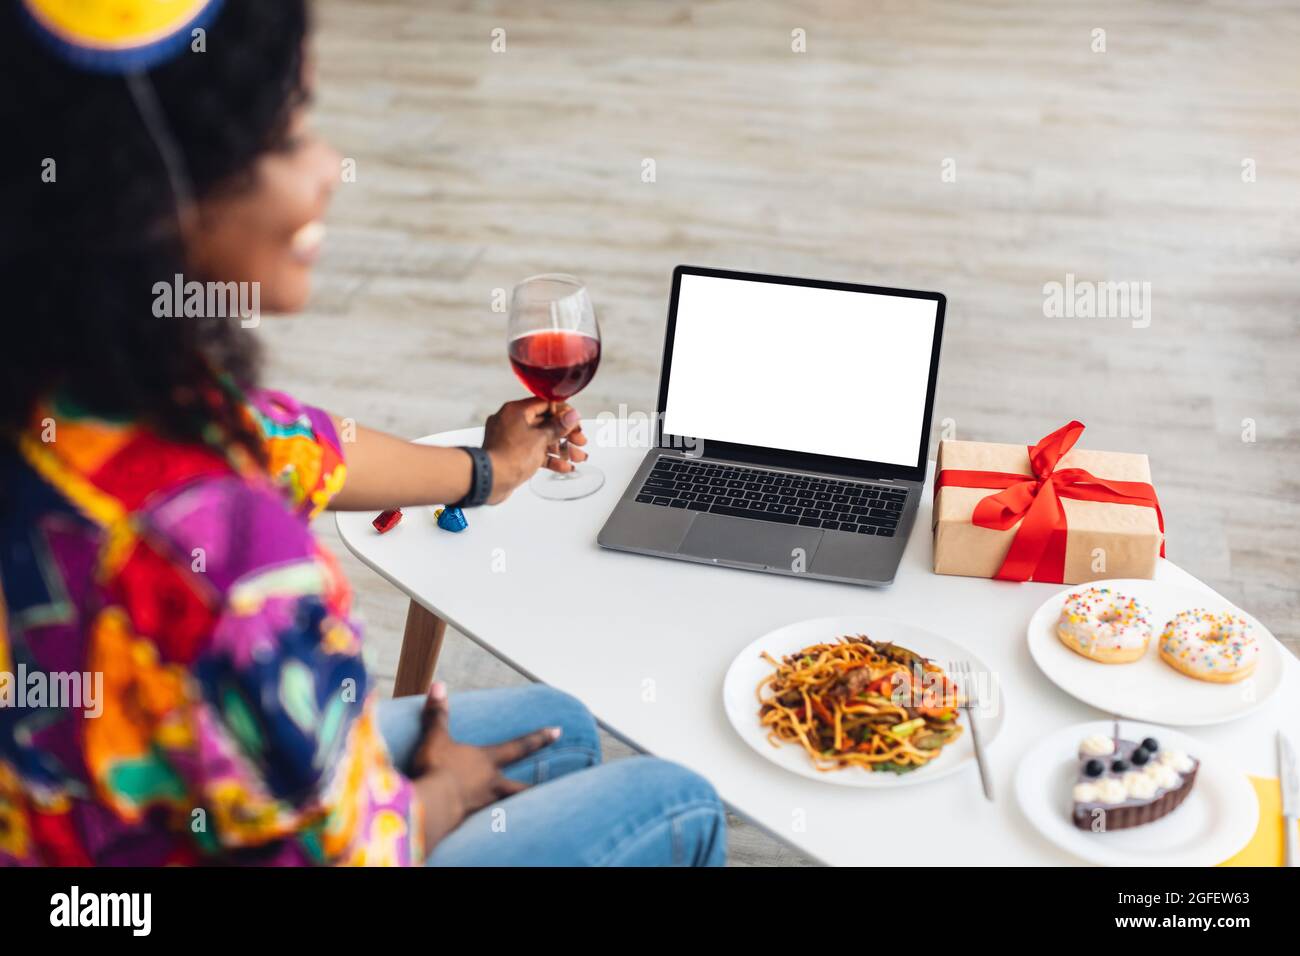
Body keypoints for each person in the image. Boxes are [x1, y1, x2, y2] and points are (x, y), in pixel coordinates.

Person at [0, 0, 725, 867]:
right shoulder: (220, 564)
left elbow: (296, 445)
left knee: (557, 724)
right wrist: (442, 794)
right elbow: (356, 850)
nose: (329, 166)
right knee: (677, 801)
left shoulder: (69, 396)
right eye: (286, 132)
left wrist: (484, 470)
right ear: (155, 192)